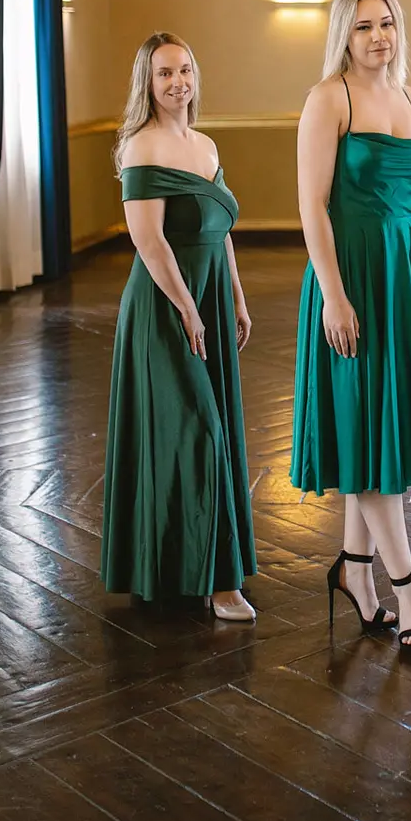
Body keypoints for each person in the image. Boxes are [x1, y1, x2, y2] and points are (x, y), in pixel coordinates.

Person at [290, 0, 411, 653]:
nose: (378, 36)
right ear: (344, 36)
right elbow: (312, 204)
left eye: (386, 23)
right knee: (364, 418)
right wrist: (333, 294)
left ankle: (355, 569)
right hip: (351, 274)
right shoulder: (329, 98)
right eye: (363, 27)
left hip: (400, 276)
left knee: (376, 429)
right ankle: (406, 588)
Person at [101, 33, 257, 621]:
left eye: (185, 70)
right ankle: (220, 583)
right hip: (165, 306)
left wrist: (235, 298)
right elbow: (149, 241)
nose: (177, 82)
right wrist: (188, 310)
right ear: (147, 82)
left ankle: (175, 565)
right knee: (198, 432)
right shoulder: (141, 145)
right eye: (164, 73)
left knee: (194, 432)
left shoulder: (206, 144)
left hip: (209, 296)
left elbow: (220, 231)